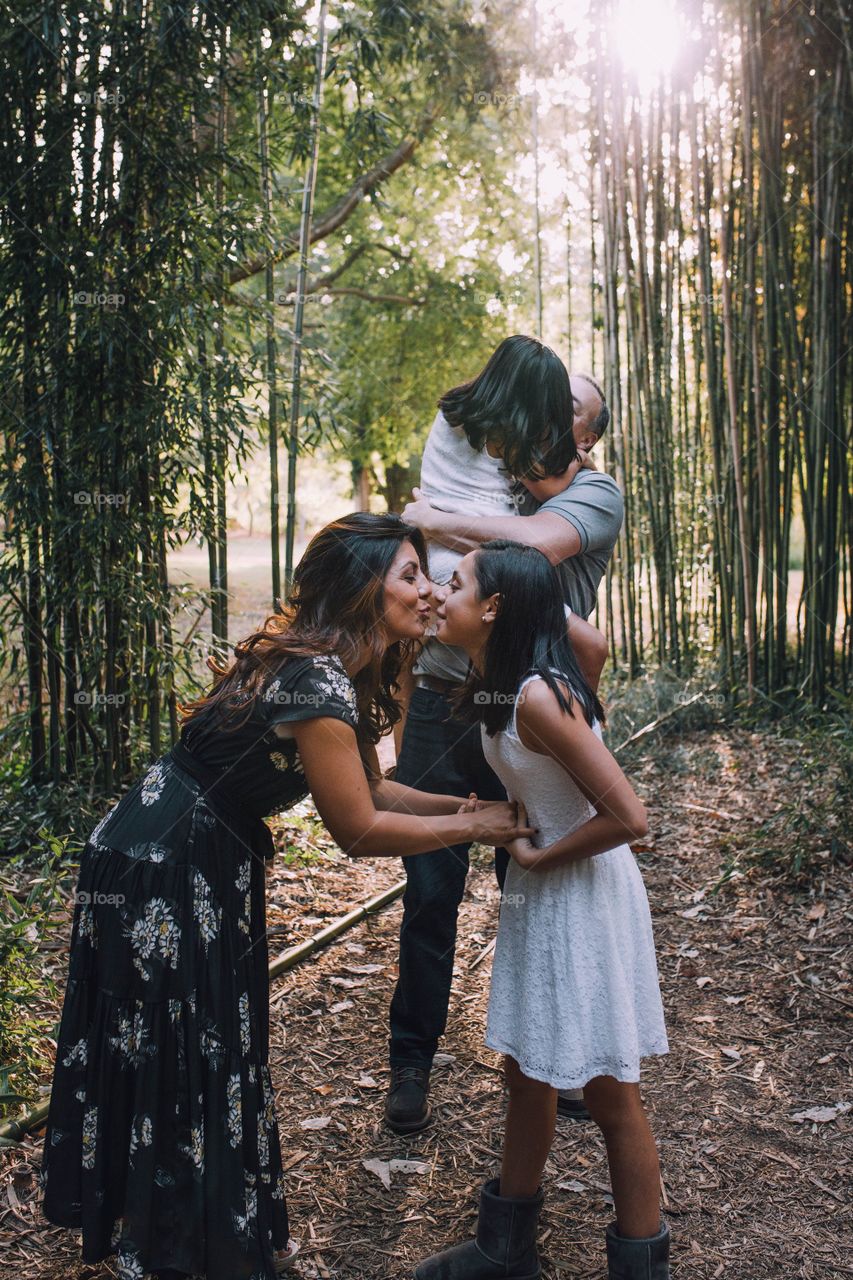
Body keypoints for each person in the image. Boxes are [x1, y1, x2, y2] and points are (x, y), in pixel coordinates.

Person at [39, 513, 532, 1280]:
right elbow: (360, 830)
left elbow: (374, 784)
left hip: (175, 847)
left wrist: (473, 815)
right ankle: (181, 1245)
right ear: (362, 588)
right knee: (186, 1045)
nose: (428, 590)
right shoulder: (316, 677)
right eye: (409, 575)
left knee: (196, 1043)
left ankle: (192, 1230)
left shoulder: (329, 662)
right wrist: (481, 824)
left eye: (426, 575)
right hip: (166, 861)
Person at [415, 540, 670, 1280]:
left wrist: (532, 854)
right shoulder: (501, 679)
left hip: (578, 894)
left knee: (607, 1090)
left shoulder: (534, 694)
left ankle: (640, 1267)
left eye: (453, 583)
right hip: (547, 892)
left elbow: (628, 816)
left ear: (492, 608)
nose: (440, 592)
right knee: (525, 1069)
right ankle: (505, 1247)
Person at [385, 338, 622, 1134]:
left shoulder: (592, 497)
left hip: (525, 712)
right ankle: (410, 1063)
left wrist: (438, 518)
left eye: (563, 418)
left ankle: (557, 1061)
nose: (541, 431)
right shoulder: (494, 466)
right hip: (445, 699)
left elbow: (531, 553)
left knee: (533, 887)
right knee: (429, 887)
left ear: (580, 438)